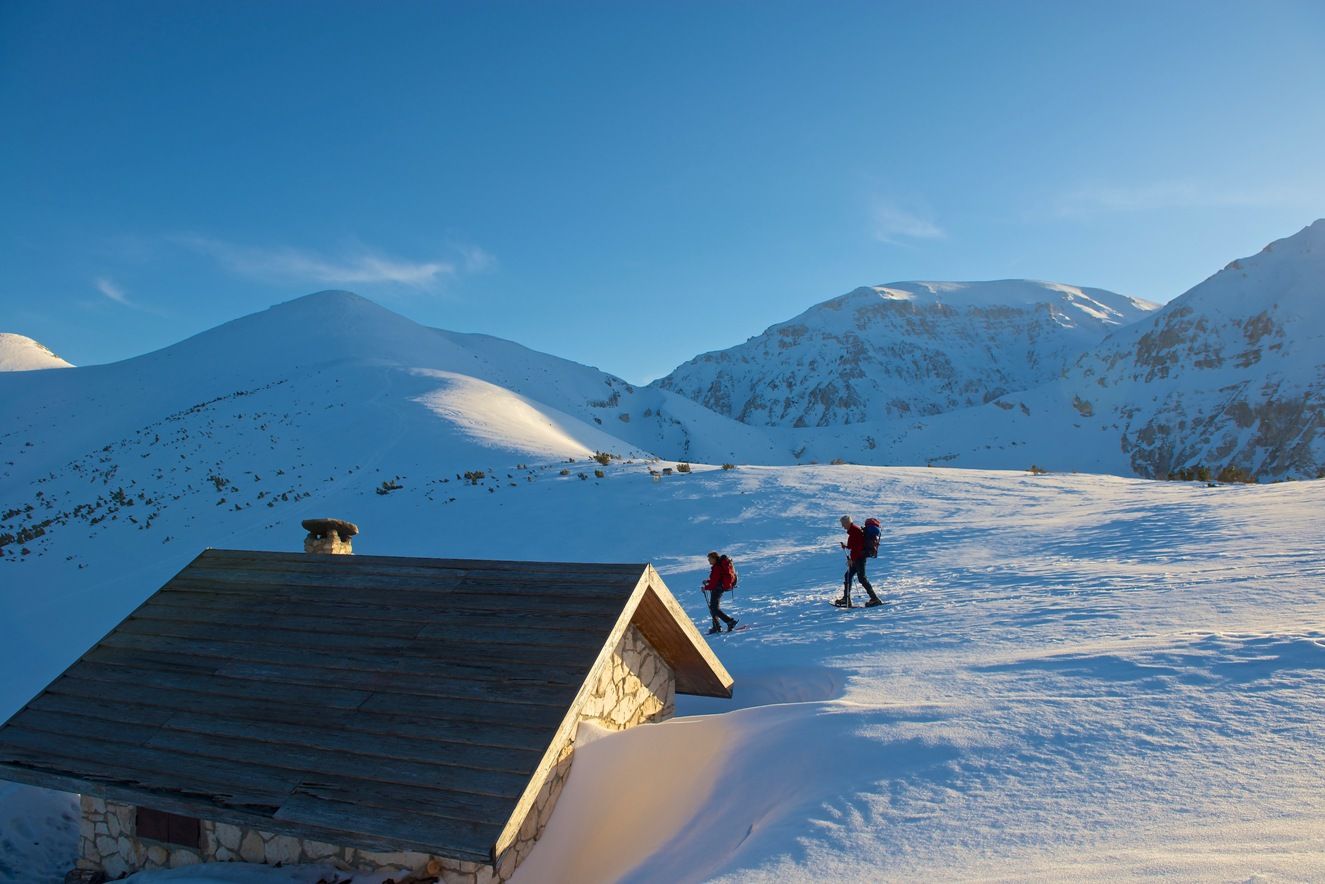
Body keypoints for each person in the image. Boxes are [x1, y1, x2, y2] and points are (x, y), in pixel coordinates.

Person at [835, 515, 882, 608]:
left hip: (859, 559)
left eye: (843, 524)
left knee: (862, 578)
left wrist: (852, 560)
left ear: (847, 523)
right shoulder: (853, 531)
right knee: (848, 576)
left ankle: (875, 599)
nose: (843, 526)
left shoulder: (855, 531)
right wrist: (846, 546)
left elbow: (858, 548)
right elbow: (854, 545)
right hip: (857, 558)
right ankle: (846, 599)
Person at [701, 551, 738, 634]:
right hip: (718, 588)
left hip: (717, 589)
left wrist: (705, 587)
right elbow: (716, 579)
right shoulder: (718, 566)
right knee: (713, 608)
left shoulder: (717, 567)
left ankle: (729, 621)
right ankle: (716, 626)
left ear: (714, 558)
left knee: (714, 608)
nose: (709, 561)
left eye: (710, 559)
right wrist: (708, 581)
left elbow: (714, 583)